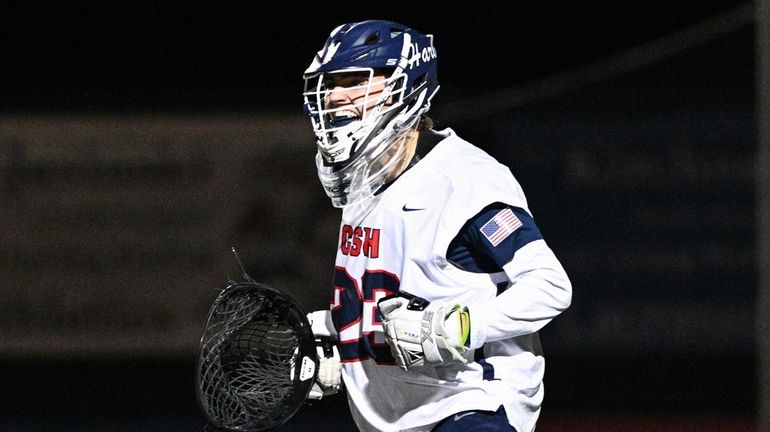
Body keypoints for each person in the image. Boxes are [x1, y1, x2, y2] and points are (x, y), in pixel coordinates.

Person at [302, 20, 572, 432]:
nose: (335, 96)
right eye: (330, 83)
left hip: (470, 404)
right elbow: (401, 291)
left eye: (354, 80)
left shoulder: (463, 178)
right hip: (395, 414)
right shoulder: (364, 178)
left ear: (405, 85)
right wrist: (338, 337)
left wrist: (462, 326)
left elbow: (550, 286)